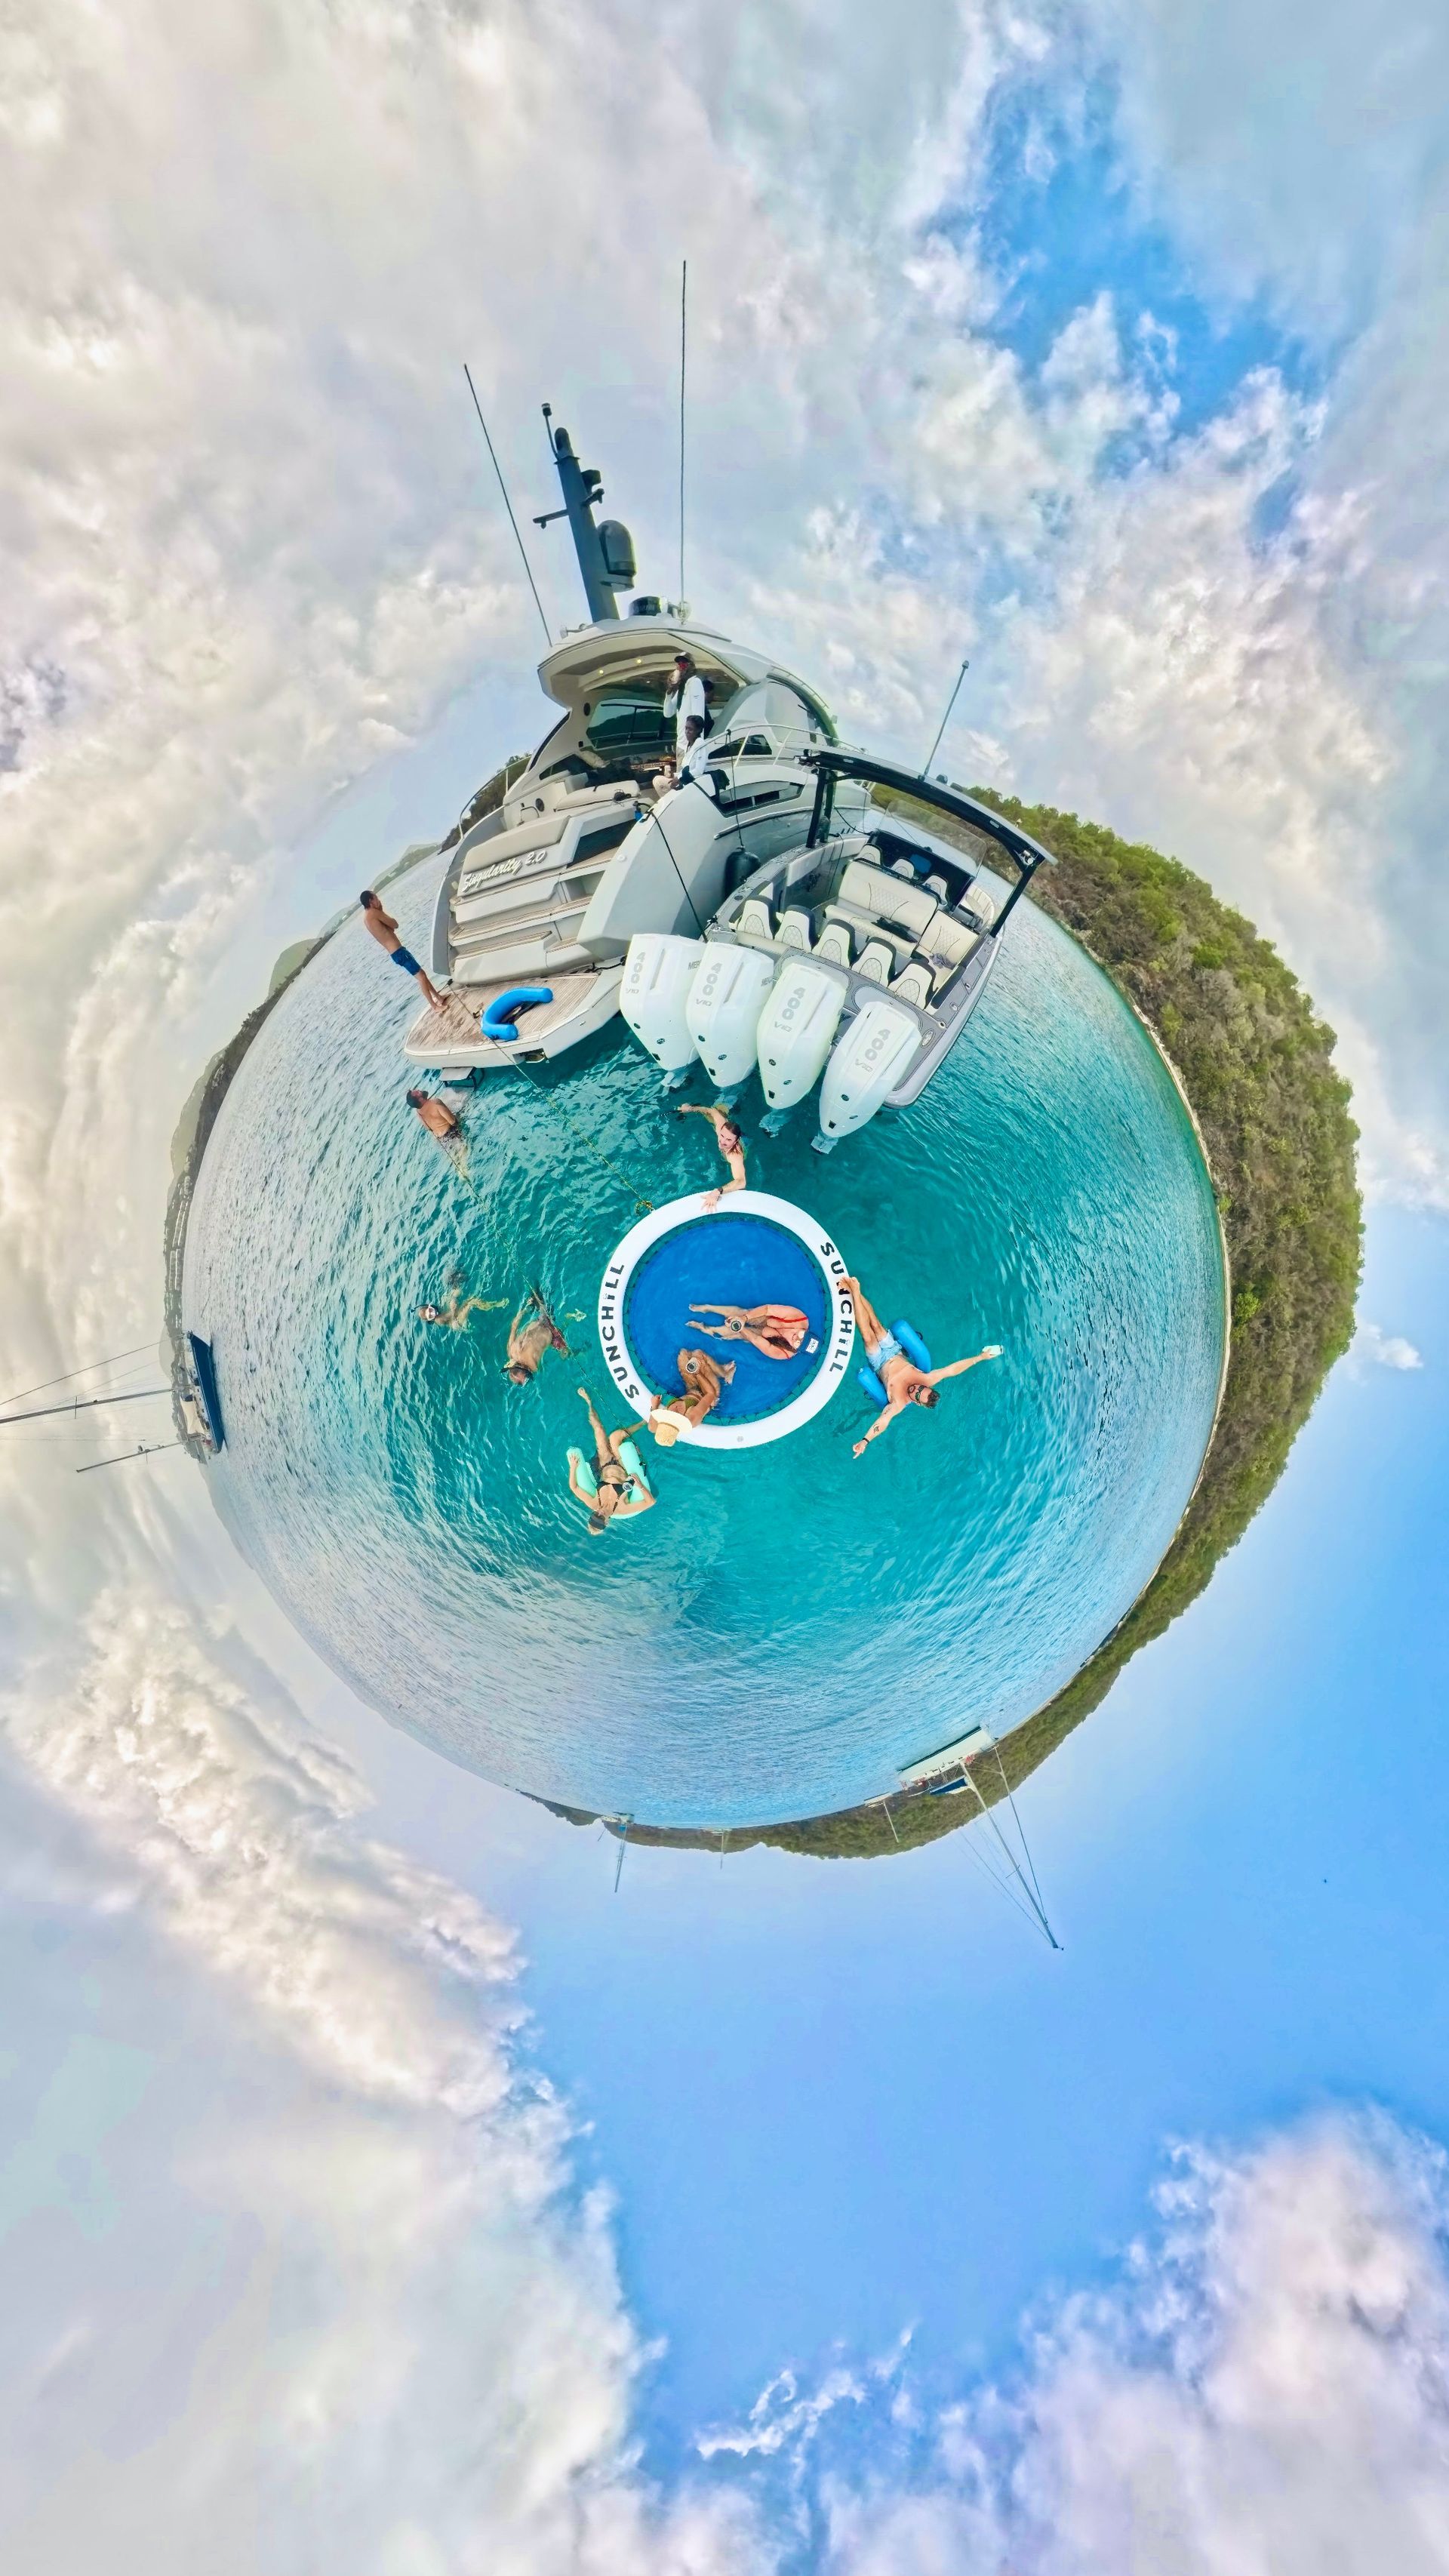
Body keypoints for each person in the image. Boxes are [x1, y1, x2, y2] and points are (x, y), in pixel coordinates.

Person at [844, 1275, 1001, 1457]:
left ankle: (854, 1290)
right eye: (921, 1388)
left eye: (917, 1394)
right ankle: (855, 1290)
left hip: (879, 1362)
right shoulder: (927, 1379)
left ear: (918, 1402)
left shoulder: (899, 1403)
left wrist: (865, 1441)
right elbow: (952, 1370)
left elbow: (883, 1421)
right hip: (894, 1351)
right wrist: (980, 1357)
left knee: (867, 1335)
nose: (915, 1389)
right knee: (876, 1325)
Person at [568, 1388, 656, 1534]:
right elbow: (651, 1502)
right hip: (622, 1466)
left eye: (596, 1515)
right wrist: (640, 1485)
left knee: (598, 1430)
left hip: (604, 1464)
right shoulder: (622, 1509)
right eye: (601, 1518)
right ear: (607, 1522)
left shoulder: (593, 1503)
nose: (600, 1513)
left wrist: (573, 1468)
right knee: (615, 1437)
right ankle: (644, 1422)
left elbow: (574, 1487)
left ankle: (589, 1402)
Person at [360, 891, 445, 1011]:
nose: (379, 900)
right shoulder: (374, 913)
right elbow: (395, 924)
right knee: (421, 977)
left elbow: (390, 930)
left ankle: (438, 997)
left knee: (422, 973)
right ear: (371, 901)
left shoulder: (366, 918)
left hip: (395, 953)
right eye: (376, 898)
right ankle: (434, 1006)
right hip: (398, 951)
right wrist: (381, 910)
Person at [645, 1346, 734, 1446]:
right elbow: (710, 1394)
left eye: (669, 1416)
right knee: (698, 1355)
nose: (673, 1411)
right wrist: (697, 1373)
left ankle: (714, 1371)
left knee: (683, 1355)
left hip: (692, 1389)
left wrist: (654, 1406)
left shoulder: (662, 1421)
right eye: (675, 1417)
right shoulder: (691, 1417)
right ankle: (724, 1373)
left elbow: (651, 1428)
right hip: (709, 1394)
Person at [675, 1100, 746, 1206]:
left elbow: (741, 1182)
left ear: (735, 1142)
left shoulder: (735, 1155)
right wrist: (690, 1109)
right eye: (722, 1136)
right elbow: (712, 1112)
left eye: (728, 1140)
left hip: (742, 1146)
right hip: (724, 1120)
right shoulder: (721, 1127)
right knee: (715, 1109)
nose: (722, 1142)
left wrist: (718, 1191)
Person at [688, 1301, 814, 1360]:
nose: (797, 1338)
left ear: (795, 1349)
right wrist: (744, 1318)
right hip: (768, 1318)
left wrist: (740, 1327)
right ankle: (708, 1308)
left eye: (798, 1343)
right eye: (802, 1335)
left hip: (764, 1337)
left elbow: (755, 1339)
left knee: (736, 1332)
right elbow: (767, 1309)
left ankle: (707, 1328)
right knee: (742, 1313)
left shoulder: (783, 1353)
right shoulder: (798, 1317)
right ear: (804, 1330)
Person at [504, 1286, 570, 1385]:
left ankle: (571, 1318)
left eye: (525, 1376)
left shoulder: (534, 1367)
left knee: (566, 1355)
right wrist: (525, 1309)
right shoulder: (511, 1350)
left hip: (552, 1334)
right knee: (540, 1299)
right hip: (540, 1320)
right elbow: (514, 1326)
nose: (527, 1377)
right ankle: (535, 1293)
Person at [407, 1086, 469, 1175]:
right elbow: (452, 1121)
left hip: (440, 1139)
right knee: (463, 1152)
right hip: (451, 1132)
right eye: (416, 1093)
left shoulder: (418, 1112)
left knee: (454, 1159)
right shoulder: (436, 1102)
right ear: (420, 1100)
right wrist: (461, 1116)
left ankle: (460, 1172)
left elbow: (429, 1128)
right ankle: (465, 1171)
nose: (417, 1090)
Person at [663, 651, 707, 754]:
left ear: (691, 666)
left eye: (684, 663)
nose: (680, 667)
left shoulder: (695, 683)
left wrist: (694, 746)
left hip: (689, 746)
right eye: (679, 664)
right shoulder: (682, 687)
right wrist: (669, 692)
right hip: (680, 744)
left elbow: (698, 717)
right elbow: (668, 713)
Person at [419, 1284, 506, 1331]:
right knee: (471, 1302)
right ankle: (497, 1305)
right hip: (456, 1322)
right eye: (430, 1316)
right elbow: (453, 1315)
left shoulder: (437, 1309)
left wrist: (452, 1297)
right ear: (430, 1319)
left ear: (430, 1307)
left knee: (463, 1295)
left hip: (454, 1317)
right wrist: (453, 1307)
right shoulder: (439, 1320)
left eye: (430, 1311)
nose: (432, 1313)